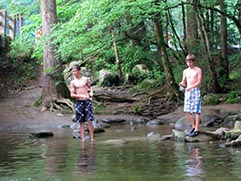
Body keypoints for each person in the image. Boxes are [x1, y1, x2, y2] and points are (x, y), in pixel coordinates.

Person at [70, 64, 95, 142]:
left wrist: (91, 92)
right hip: (79, 102)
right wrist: (80, 95)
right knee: (81, 122)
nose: (74, 73)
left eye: (75, 71)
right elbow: (72, 94)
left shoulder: (85, 79)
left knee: (90, 120)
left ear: (79, 71)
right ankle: (83, 139)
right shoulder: (73, 82)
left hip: (87, 101)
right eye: (72, 71)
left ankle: (92, 138)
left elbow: (90, 87)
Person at [179, 54, 202, 137]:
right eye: (187, 62)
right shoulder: (185, 71)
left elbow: (199, 82)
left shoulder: (198, 70)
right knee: (187, 110)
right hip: (188, 92)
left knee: (196, 110)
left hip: (195, 91)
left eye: (190, 62)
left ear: (193, 61)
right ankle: (193, 126)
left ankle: (197, 129)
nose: (189, 64)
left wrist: (191, 87)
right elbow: (184, 81)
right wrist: (182, 84)